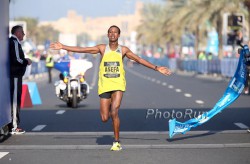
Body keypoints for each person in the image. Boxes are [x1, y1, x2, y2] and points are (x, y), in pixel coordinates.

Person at [50, 25, 172, 151]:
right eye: (110, 32)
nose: (113, 34)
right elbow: (83, 49)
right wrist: (63, 46)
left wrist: (157, 68)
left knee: (114, 111)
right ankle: (110, 113)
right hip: (105, 85)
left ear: (119, 35)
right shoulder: (102, 48)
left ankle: (116, 141)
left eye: (115, 32)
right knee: (104, 118)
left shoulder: (123, 50)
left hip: (118, 84)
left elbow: (139, 60)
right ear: (107, 35)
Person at [9, 25, 32, 134]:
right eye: (22, 32)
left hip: (16, 75)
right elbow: (17, 59)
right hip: (15, 75)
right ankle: (14, 126)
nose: (23, 34)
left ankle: (14, 124)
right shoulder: (14, 42)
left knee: (16, 99)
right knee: (15, 100)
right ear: (17, 33)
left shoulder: (15, 42)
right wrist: (26, 61)